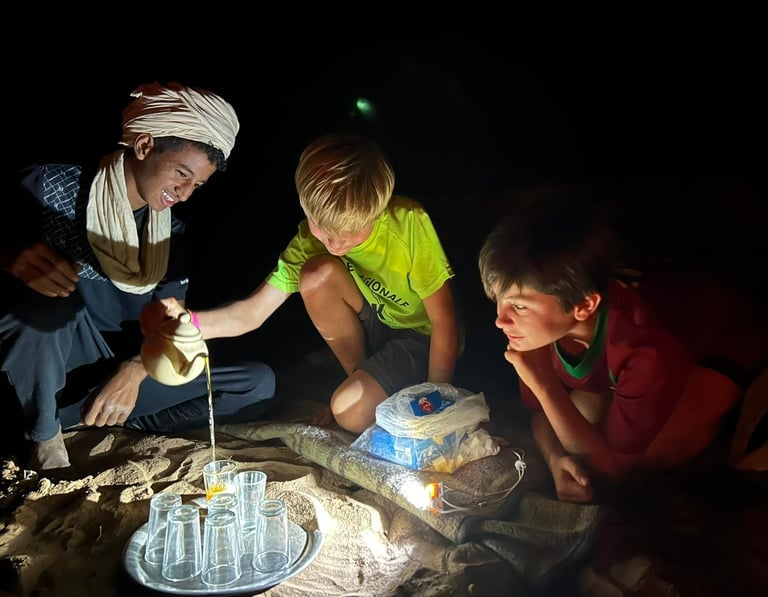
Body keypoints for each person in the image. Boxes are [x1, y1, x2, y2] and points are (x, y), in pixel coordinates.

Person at [0, 82, 276, 470]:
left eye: (197, 185)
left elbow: (169, 325)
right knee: (49, 311)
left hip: (105, 378)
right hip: (39, 369)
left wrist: (136, 369)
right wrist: (8, 255)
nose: (184, 194)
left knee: (255, 383)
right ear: (145, 145)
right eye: (181, 173)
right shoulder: (48, 189)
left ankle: (99, 418)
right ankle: (44, 436)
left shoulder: (169, 237)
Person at [141, 132, 461, 434]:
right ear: (305, 207)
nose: (334, 244)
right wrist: (188, 322)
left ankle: (372, 392)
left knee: (349, 413)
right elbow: (252, 312)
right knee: (316, 274)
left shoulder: (407, 222)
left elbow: (444, 320)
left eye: (350, 234)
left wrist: (437, 397)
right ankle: (360, 379)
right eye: (323, 229)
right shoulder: (308, 241)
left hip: (421, 335)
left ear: (376, 212)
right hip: (377, 326)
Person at [477, 192, 767, 503]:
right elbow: (540, 415)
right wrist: (555, 459)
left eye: (519, 306)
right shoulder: (536, 324)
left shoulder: (646, 352)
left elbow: (609, 469)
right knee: (582, 418)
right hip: (640, 342)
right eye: (498, 299)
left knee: (640, 462)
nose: (500, 320)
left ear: (584, 306)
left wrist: (544, 384)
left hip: (722, 343)